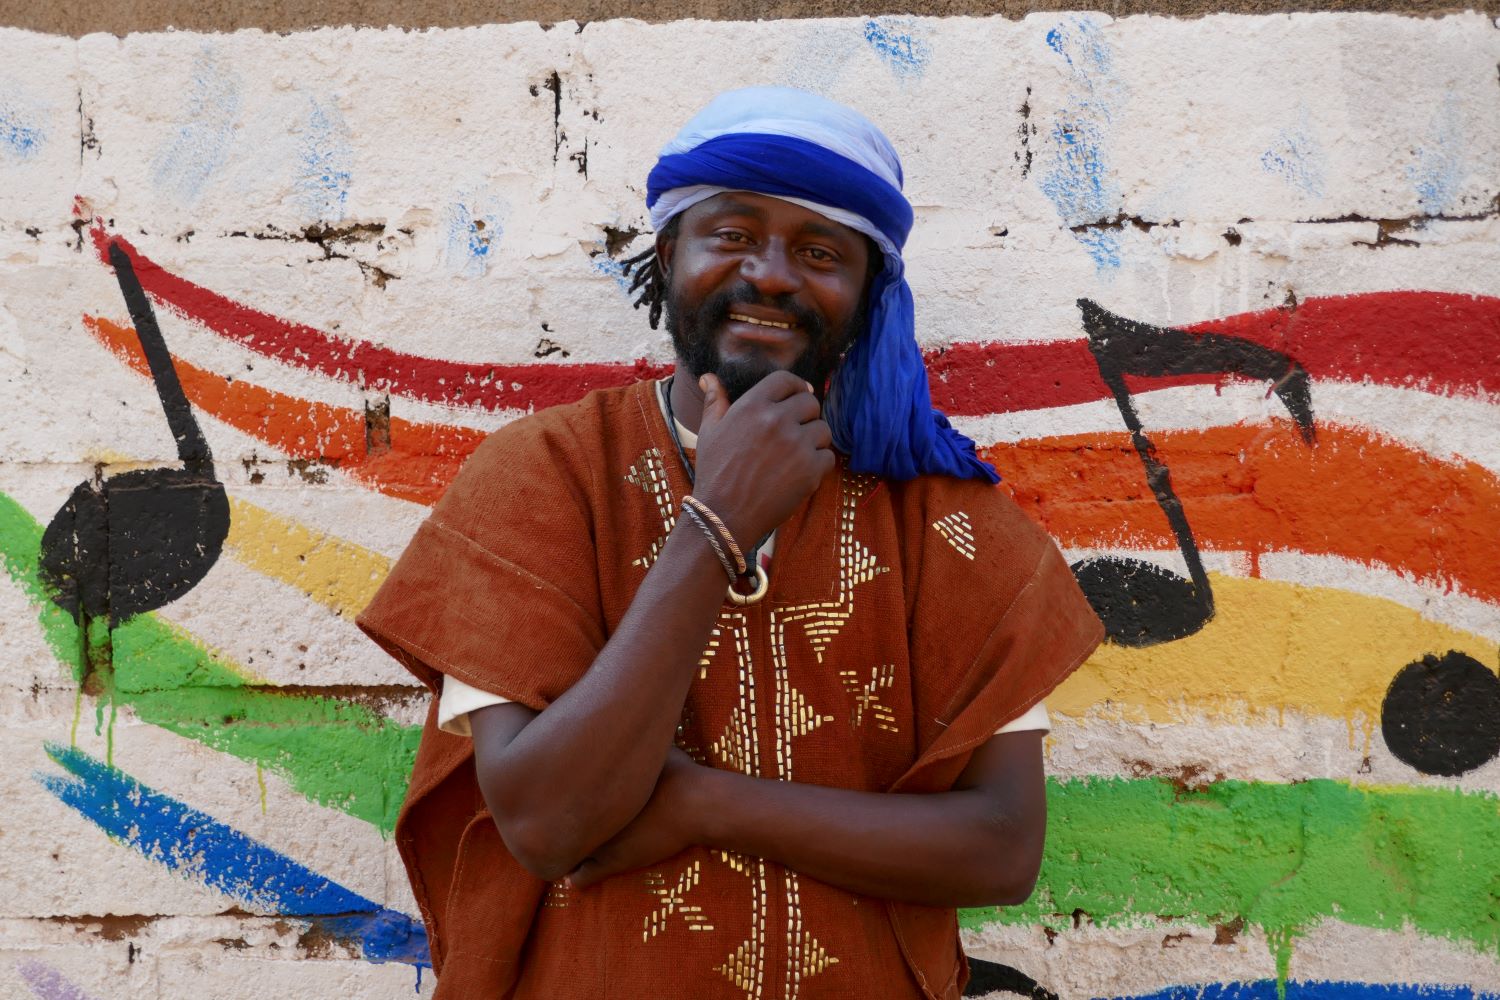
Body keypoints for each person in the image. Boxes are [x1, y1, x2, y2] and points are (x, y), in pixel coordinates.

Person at [357, 87, 1103, 1000]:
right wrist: (716, 528)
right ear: (669, 255)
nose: (775, 274)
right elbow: (548, 823)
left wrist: (700, 802)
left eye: (822, 251)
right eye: (735, 235)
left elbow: (1000, 848)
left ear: (869, 293)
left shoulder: (937, 515)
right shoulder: (544, 475)